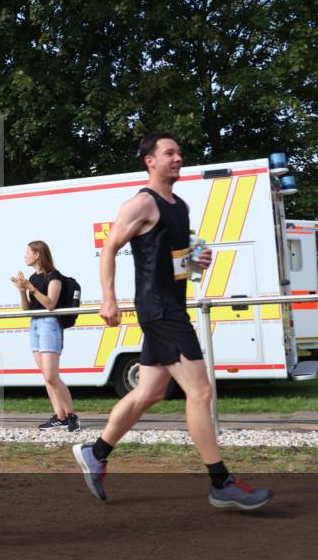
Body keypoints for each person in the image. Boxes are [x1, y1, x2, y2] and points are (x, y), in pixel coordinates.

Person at [74, 133, 273, 510]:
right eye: (169, 153)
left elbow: (173, 255)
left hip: (171, 305)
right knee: (200, 393)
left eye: (180, 152)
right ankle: (220, 482)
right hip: (159, 310)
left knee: (149, 392)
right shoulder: (140, 203)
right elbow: (110, 248)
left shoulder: (179, 206)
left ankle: (96, 452)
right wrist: (110, 300)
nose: (178, 158)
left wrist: (194, 260)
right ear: (150, 161)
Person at [11, 241, 80, 431]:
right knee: (46, 376)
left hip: (50, 325)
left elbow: (50, 304)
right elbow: (27, 308)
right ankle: (60, 416)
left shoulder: (53, 276)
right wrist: (22, 290)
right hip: (35, 325)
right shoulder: (33, 277)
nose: (25, 256)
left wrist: (32, 288)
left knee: (51, 376)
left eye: (27, 252)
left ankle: (72, 416)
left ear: (37, 255)